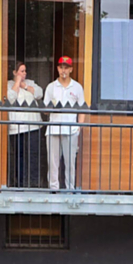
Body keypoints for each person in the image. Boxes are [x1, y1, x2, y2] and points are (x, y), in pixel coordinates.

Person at [44, 56, 86, 191]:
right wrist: (50, 108)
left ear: (71, 69)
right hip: (53, 129)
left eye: (66, 67)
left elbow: (82, 109)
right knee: (53, 162)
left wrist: (79, 127)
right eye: (61, 67)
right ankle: (53, 189)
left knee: (70, 162)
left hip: (71, 130)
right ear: (57, 68)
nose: (63, 70)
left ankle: (70, 189)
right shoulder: (51, 87)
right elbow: (45, 110)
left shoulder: (77, 87)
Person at [7, 62, 44, 188]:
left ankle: (32, 183)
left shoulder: (31, 83)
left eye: (25, 71)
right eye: (21, 71)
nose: (24, 73)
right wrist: (17, 83)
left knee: (32, 155)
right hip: (16, 128)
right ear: (14, 72)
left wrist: (26, 86)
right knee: (19, 156)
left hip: (33, 126)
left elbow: (39, 93)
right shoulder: (8, 84)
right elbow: (10, 97)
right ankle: (19, 183)